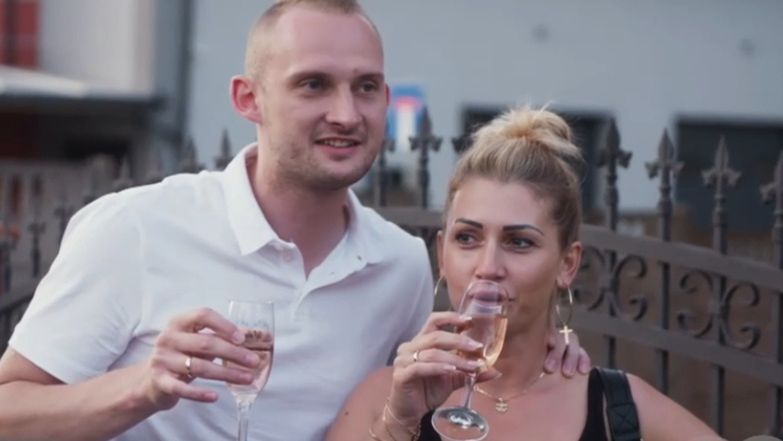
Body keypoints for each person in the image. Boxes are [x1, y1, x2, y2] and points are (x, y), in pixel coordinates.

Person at [0, 2, 587, 441]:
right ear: (247, 99)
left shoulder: (401, 263)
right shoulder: (136, 227)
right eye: (313, 85)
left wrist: (549, 345)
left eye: (365, 87)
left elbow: (413, 400)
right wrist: (142, 388)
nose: (346, 113)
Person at [326, 106, 721, 441]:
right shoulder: (384, 397)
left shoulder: (619, 408)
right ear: (442, 255)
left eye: (519, 242)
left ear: (567, 264)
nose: (488, 267)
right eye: (468, 238)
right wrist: (399, 423)